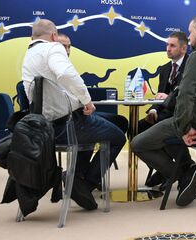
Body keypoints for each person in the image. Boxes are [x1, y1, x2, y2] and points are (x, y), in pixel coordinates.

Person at [131, 14, 196, 206]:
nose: (189, 36)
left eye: (190, 32)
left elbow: (186, 95)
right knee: (164, 130)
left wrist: (184, 127)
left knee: (138, 143)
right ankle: (188, 172)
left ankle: (183, 174)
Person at [22, 19, 126, 210]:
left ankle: (78, 177)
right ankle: (84, 183)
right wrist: (86, 100)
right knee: (118, 137)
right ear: (54, 36)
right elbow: (66, 74)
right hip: (68, 126)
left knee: (105, 124)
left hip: (44, 129)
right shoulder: (53, 49)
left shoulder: (29, 55)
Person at [57, 32, 129, 134]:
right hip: (67, 120)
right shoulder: (59, 68)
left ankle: (86, 149)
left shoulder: (65, 66)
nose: (67, 51)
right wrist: (87, 103)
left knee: (120, 121)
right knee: (119, 134)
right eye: (63, 47)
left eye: (69, 47)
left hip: (77, 114)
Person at [139, 31, 189, 133]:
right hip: (164, 113)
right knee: (136, 127)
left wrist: (168, 98)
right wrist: (154, 110)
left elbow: (190, 97)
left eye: (172, 46)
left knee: (143, 129)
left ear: (183, 48)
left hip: (182, 115)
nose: (168, 49)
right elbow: (159, 95)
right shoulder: (164, 69)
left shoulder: (192, 66)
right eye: (167, 45)